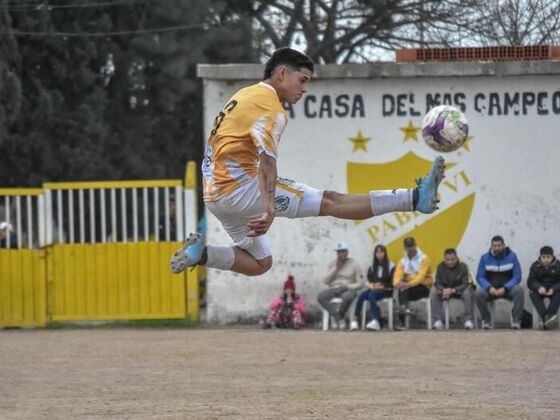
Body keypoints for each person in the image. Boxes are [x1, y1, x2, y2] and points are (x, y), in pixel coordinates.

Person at [170, 47, 445, 277]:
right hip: (240, 189)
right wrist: (268, 210)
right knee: (331, 202)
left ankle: (200, 253)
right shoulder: (271, 108)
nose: (305, 88)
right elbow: (267, 162)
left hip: (215, 195)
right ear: (281, 73)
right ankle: (414, 198)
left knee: (260, 264)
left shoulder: (243, 95)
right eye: (302, 80)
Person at [475, 235, 524, 329]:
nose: (497, 248)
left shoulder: (512, 257)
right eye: (494, 246)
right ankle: (487, 320)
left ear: (504, 245)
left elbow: (517, 276)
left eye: (499, 245)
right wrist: (489, 287)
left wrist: (505, 288)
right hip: (491, 290)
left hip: (508, 290)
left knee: (519, 290)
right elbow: (480, 276)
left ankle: (516, 320)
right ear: (491, 246)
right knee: (479, 293)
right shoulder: (484, 258)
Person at [317, 242, 363, 329]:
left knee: (347, 297)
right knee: (321, 296)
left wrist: (349, 286)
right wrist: (336, 268)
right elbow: (325, 281)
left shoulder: (354, 265)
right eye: (339, 252)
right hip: (334, 288)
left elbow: (360, 283)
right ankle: (337, 317)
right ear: (337, 254)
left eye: (343, 252)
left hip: (348, 288)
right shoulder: (332, 264)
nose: (341, 254)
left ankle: (339, 317)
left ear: (347, 252)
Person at [350, 244, 395, 331]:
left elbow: (393, 282)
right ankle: (355, 320)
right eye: (377, 252)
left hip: (386, 290)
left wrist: (382, 286)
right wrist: (374, 286)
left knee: (371, 295)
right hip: (374, 289)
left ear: (385, 253)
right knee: (362, 296)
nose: (379, 254)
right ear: (375, 254)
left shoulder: (391, 265)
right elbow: (368, 281)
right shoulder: (372, 266)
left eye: (381, 252)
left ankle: (376, 320)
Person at [393, 237, 432, 329]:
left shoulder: (424, 259)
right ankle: (403, 309)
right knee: (401, 288)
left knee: (403, 289)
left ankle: (401, 319)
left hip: (423, 287)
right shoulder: (403, 260)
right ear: (404, 247)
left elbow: (421, 277)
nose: (410, 248)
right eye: (408, 246)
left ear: (415, 245)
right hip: (408, 289)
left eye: (411, 246)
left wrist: (408, 284)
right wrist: (397, 283)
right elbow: (397, 274)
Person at [431, 248, 474, 330]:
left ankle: (468, 320)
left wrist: (453, 290)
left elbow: (466, 284)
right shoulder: (440, 266)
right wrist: (444, 290)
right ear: (444, 259)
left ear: (457, 258)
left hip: (459, 291)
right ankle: (438, 321)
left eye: (452, 259)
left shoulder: (463, 266)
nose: (450, 262)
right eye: (447, 260)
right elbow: (437, 283)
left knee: (467, 292)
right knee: (434, 292)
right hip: (445, 292)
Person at [527, 246, 560, 329]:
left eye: (548, 257)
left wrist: (554, 289)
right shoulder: (535, 265)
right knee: (532, 293)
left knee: (558, 294)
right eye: (543, 257)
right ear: (540, 257)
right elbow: (530, 281)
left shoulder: (558, 265)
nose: (546, 259)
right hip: (540, 289)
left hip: (554, 289)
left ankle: (547, 318)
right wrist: (539, 287)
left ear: (552, 256)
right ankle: (546, 319)